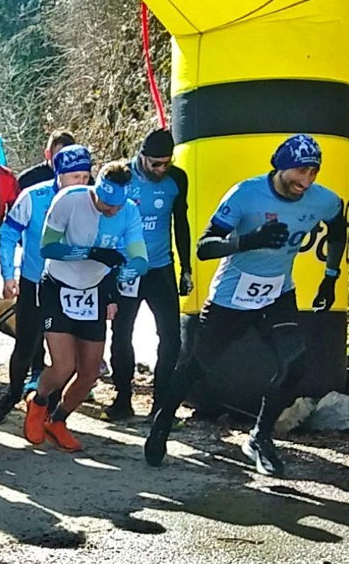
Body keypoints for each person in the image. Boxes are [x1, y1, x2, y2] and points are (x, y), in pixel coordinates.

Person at [145, 135, 345, 476]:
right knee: (197, 366)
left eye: (313, 172)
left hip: (279, 294)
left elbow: (339, 227)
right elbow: (205, 246)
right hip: (231, 297)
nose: (306, 181)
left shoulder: (323, 200)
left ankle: (259, 438)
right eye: (300, 171)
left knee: (293, 366)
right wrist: (249, 241)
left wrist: (330, 276)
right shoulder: (246, 194)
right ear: (281, 166)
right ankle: (162, 422)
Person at [26, 161, 148, 452]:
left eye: (117, 206)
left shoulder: (128, 210)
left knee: (90, 373)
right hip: (58, 285)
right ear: (97, 189)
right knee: (64, 365)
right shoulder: (69, 200)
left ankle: (58, 420)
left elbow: (139, 255)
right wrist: (91, 252)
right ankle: (38, 401)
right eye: (106, 204)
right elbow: (48, 247)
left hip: (92, 290)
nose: (112, 211)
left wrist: (129, 271)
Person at [0, 144, 94, 422]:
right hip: (35, 282)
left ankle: (48, 404)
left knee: (66, 353)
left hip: (73, 287)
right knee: (26, 345)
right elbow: (9, 234)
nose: (81, 184)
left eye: (85, 177)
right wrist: (9, 275)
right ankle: (14, 393)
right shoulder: (32, 197)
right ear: (58, 174)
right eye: (75, 178)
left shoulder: (93, 200)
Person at [104, 129, 193, 421]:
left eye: (166, 163)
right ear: (141, 156)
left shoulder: (176, 179)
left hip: (160, 267)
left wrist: (186, 267)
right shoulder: (121, 176)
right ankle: (123, 398)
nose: (161, 169)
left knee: (170, 336)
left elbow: (181, 222)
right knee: (121, 334)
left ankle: (162, 404)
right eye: (155, 163)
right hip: (127, 268)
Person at [17, 130, 76, 195]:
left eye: (70, 155)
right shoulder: (27, 180)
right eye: (60, 155)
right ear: (48, 154)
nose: (66, 160)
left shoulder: (81, 177)